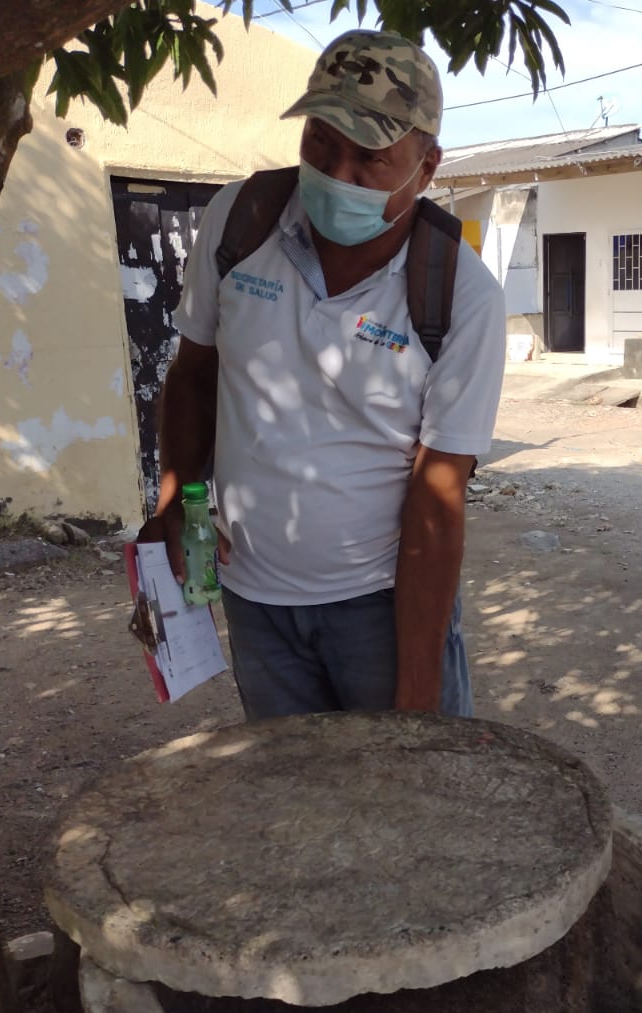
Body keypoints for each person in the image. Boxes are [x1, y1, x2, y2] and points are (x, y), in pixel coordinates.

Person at [139, 29, 506, 719]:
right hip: (254, 604)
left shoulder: (460, 294)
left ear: (426, 168)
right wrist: (178, 506)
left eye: (369, 157)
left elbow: (438, 496)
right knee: (291, 780)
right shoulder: (239, 222)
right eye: (321, 142)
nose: (337, 174)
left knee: (404, 778)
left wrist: (417, 689)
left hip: (380, 609)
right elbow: (193, 377)